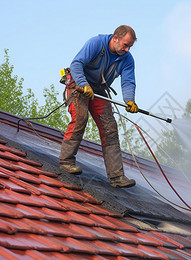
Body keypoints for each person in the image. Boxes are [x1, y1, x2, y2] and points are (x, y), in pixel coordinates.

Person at [59, 25, 138, 188]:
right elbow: (76, 64)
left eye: (130, 46)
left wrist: (130, 100)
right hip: (78, 83)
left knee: (110, 127)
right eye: (125, 44)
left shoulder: (127, 59)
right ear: (115, 38)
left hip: (98, 89)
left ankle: (117, 176)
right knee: (80, 117)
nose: (127, 49)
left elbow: (128, 81)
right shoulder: (96, 43)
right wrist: (83, 84)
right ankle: (66, 161)